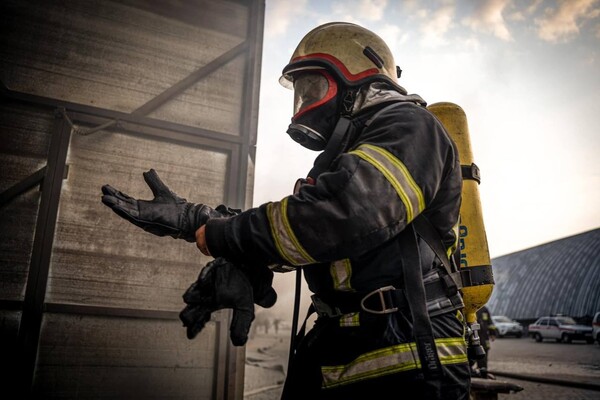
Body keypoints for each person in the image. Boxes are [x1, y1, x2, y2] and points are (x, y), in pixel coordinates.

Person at [102, 22, 470, 399]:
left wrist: (215, 231)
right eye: (300, 91)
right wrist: (229, 245)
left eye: (314, 87)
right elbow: (302, 229)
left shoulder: (409, 126)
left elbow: (341, 216)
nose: (305, 102)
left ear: (357, 82)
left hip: (409, 358)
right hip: (348, 346)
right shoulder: (342, 158)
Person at [474, 305, 496, 378]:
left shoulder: (484, 309)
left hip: (484, 338)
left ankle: (483, 372)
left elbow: (489, 322)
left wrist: (492, 333)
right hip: (473, 336)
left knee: (484, 354)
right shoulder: (470, 306)